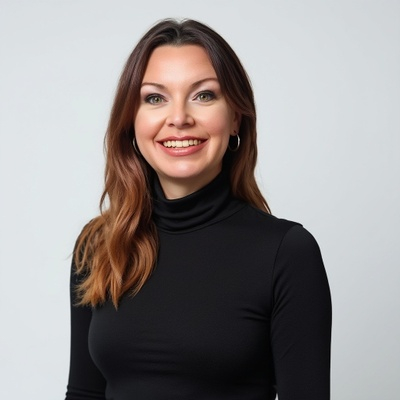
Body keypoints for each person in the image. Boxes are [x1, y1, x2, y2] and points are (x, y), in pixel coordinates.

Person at [65, 18, 331, 400]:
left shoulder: (286, 253)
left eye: (203, 95)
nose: (179, 118)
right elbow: (84, 394)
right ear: (131, 121)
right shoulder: (98, 245)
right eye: (155, 98)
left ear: (235, 117)